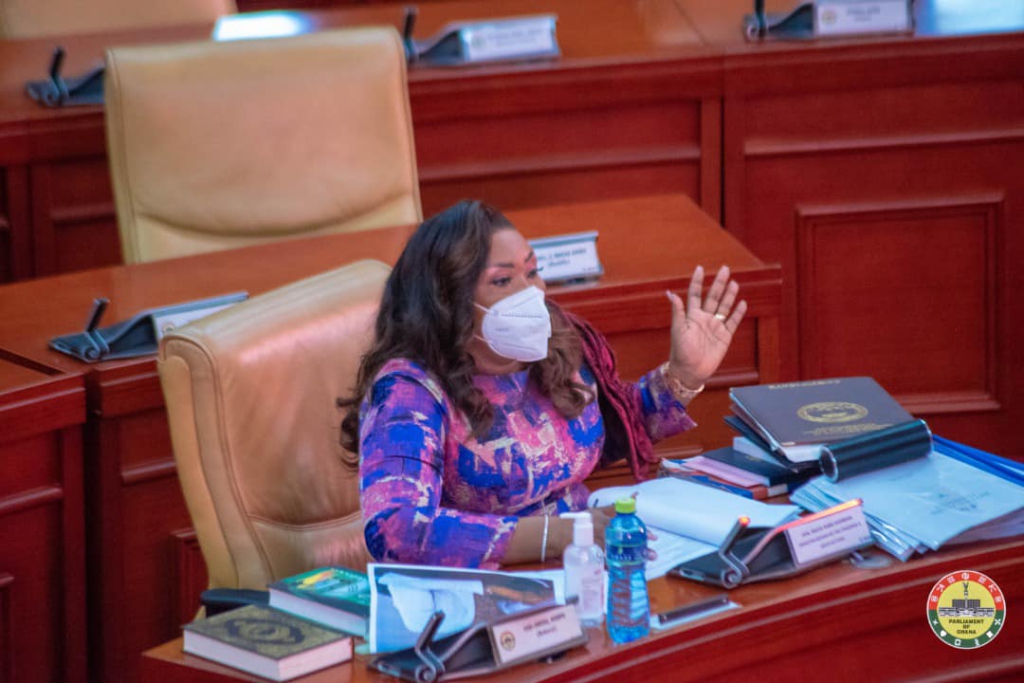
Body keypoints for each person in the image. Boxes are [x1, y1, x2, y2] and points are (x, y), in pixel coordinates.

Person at [338, 200, 746, 569]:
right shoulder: (409, 390)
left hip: (585, 563)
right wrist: (558, 535)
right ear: (447, 301)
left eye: (532, 272)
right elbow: (396, 530)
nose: (531, 293)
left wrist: (683, 376)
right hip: (483, 590)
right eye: (503, 281)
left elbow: (606, 434)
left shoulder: (556, 344)